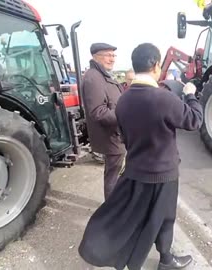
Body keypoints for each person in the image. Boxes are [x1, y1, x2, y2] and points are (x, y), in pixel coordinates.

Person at [78, 43, 203, 270]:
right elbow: (194, 120)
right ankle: (166, 260)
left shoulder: (124, 100)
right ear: (156, 65)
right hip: (164, 173)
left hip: (136, 171)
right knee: (165, 218)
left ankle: (128, 256)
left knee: (137, 216)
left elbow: (124, 135)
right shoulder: (163, 98)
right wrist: (191, 95)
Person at [81, 42, 126, 200]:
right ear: (95, 56)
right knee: (113, 175)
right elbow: (98, 112)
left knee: (116, 172)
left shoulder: (103, 74)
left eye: (113, 55)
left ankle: (114, 206)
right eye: (108, 55)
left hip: (116, 134)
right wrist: (125, 115)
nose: (112, 59)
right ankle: (112, 210)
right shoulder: (93, 77)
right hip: (112, 136)